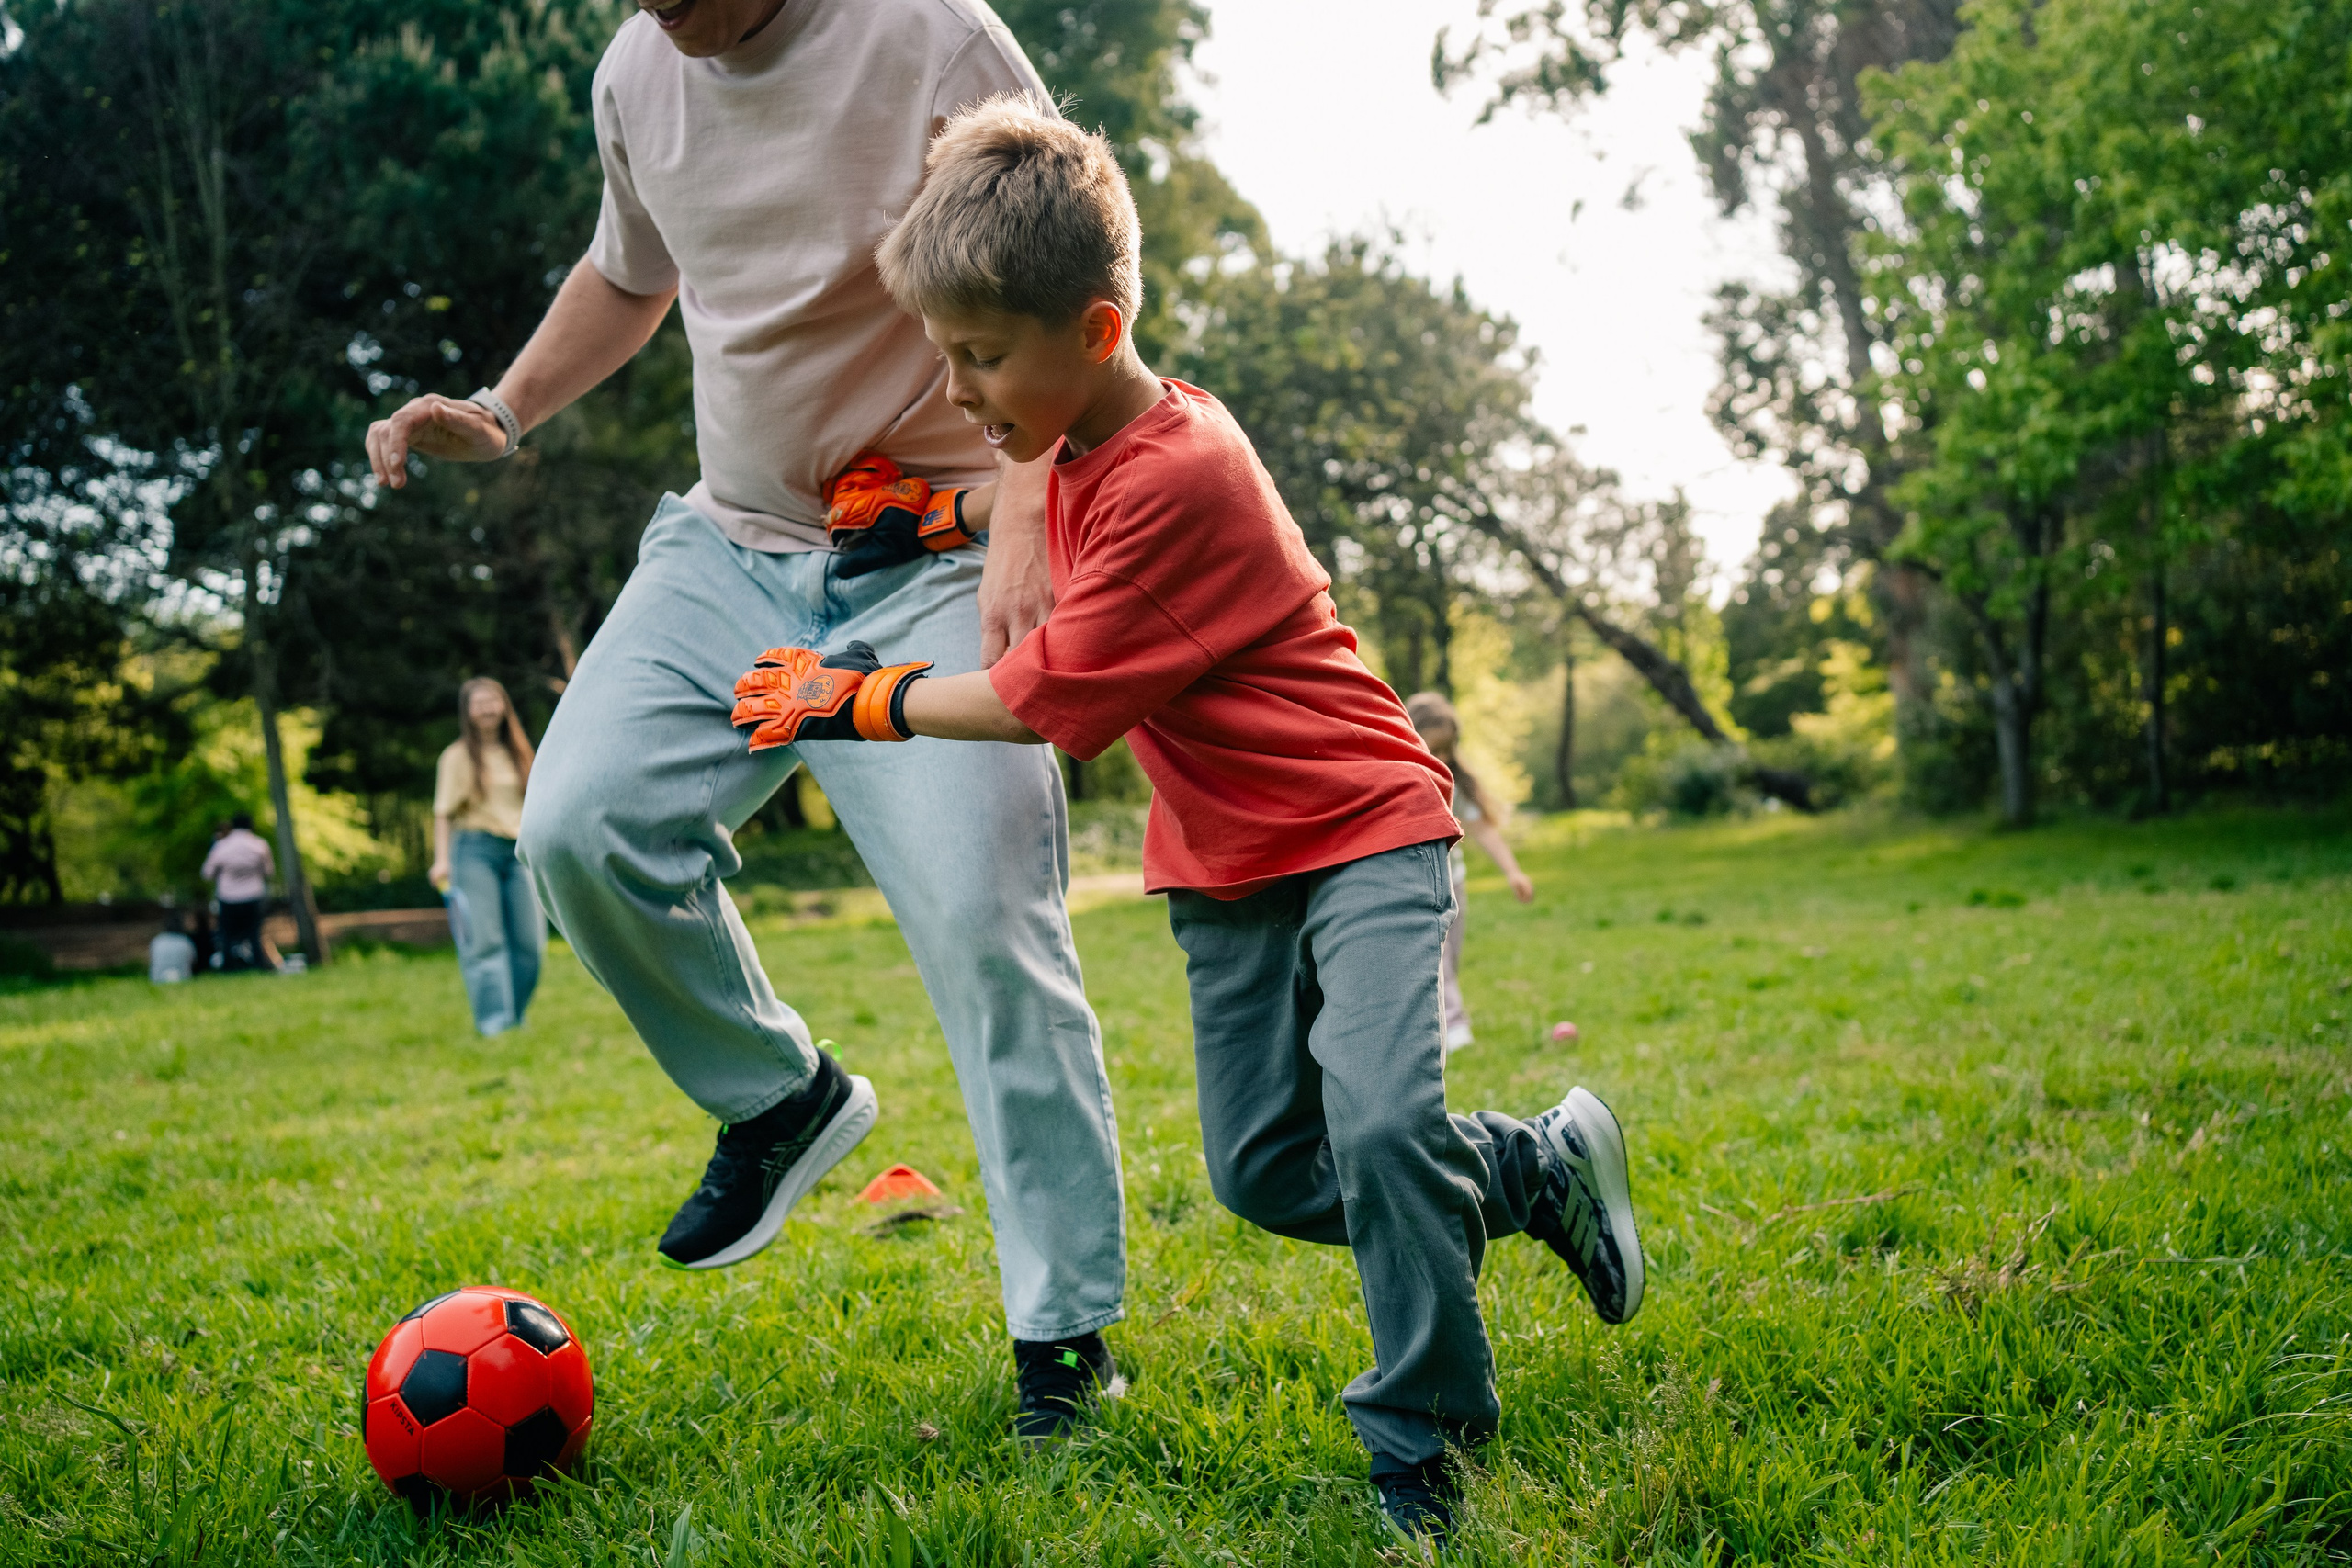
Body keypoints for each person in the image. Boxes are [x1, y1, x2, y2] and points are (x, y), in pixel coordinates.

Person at [728, 99, 1646, 1547]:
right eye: (946, 355)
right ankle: (1530, 1167)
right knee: (1266, 1170)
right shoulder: (1105, 439)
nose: (957, 392)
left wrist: (855, 695)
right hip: (1229, 867)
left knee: (1388, 1125)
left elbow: (1041, 692)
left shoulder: (1185, 471)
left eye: (979, 357)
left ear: (1092, 330)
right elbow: (1062, 511)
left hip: (1361, 826)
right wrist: (945, 523)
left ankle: (1424, 1431)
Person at [360, 0, 1126, 1439]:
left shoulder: (929, 38)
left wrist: (1038, 489)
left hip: (935, 546)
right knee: (580, 824)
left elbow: (1066, 250)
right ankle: (780, 1096)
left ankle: (1067, 1332)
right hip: (731, 541)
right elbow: (625, 270)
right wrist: (502, 407)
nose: (658, 9)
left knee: (984, 916)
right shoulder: (637, 73)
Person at [1403, 692, 1537, 1054]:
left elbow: (1485, 830)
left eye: (1449, 748)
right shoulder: (1402, 780)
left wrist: (1512, 871)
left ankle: (1440, 1019)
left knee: (1452, 958)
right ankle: (1454, 1025)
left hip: (1453, 884)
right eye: (1436, 748)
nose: (1443, 758)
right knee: (1437, 958)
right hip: (1417, 887)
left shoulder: (1455, 783)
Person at [429, 678, 548, 1036]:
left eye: (493, 699)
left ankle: (516, 1013)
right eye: (478, 702)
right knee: (485, 941)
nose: (487, 707)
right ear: (467, 711)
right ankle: (495, 1023)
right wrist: (441, 860)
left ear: (505, 705)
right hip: (474, 850)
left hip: (518, 852)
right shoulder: (457, 756)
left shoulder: (521, 752)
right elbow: (443, 812)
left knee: (531, 943)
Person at [202, 814, 276, 972]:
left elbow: (207, 873)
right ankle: (258, 965)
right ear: (251, 826)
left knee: (227, 935)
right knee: (254, 934)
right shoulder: (260, 845)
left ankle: (229, 968)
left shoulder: (222, 846)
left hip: (228, 897)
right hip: (253, 895)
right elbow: (268, 871)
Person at [149, 911, 198, 985]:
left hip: (158, 979)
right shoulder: (185, 941)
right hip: (182, 978)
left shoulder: (158, 940)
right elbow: (193, 960)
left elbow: (152, 959)